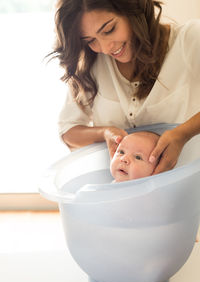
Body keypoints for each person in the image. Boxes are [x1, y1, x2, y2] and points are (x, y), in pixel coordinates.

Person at [52, 0, 200, 175]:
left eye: (109, 30)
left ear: (133, 11)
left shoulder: (190, 40)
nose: (106, 48)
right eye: (90, 40)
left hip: (188, 185)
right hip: (122, 196)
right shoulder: (91, 63)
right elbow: (68, 131)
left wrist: (182, 134)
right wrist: (105, 133)